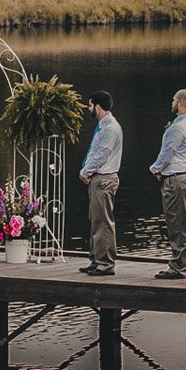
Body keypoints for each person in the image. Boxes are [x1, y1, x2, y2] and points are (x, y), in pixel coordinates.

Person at [149, 88, 186, 280]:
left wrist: (155, 169)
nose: (172, 103)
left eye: (173, 100)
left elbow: (167, 153)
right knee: (185, 222)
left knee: (177, 222)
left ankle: (179, 267)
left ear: (180, 102)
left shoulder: (177, 127)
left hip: (176, 178)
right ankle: (183, 264)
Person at [78, 90, 123, 276]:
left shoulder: (110, 128)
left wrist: (86, 171)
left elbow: (102, 155)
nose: (89, 109)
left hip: (104, 179)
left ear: (97, 106)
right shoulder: (103, 127)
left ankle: (105, 263)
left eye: (90, 105)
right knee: (96, 220)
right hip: (98, 178)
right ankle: (96, 259)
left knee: (103, 222)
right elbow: (95, 152)